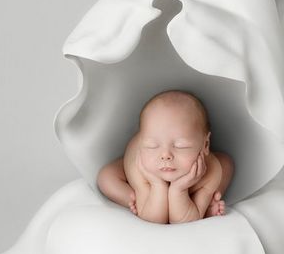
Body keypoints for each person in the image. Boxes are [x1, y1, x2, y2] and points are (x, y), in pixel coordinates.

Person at [97, 90, 234, 224]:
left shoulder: (209, 171)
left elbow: (185, 222)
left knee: (226, 163)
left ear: (206, 144)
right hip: (139, 171)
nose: (165, 155)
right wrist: (157, 185)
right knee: (106, 177)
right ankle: (136, 200)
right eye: (152, 145)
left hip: (192, 180)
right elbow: (154, 220)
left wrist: (178, 189)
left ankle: (206, 201)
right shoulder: (142, 169)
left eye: (181, 146)